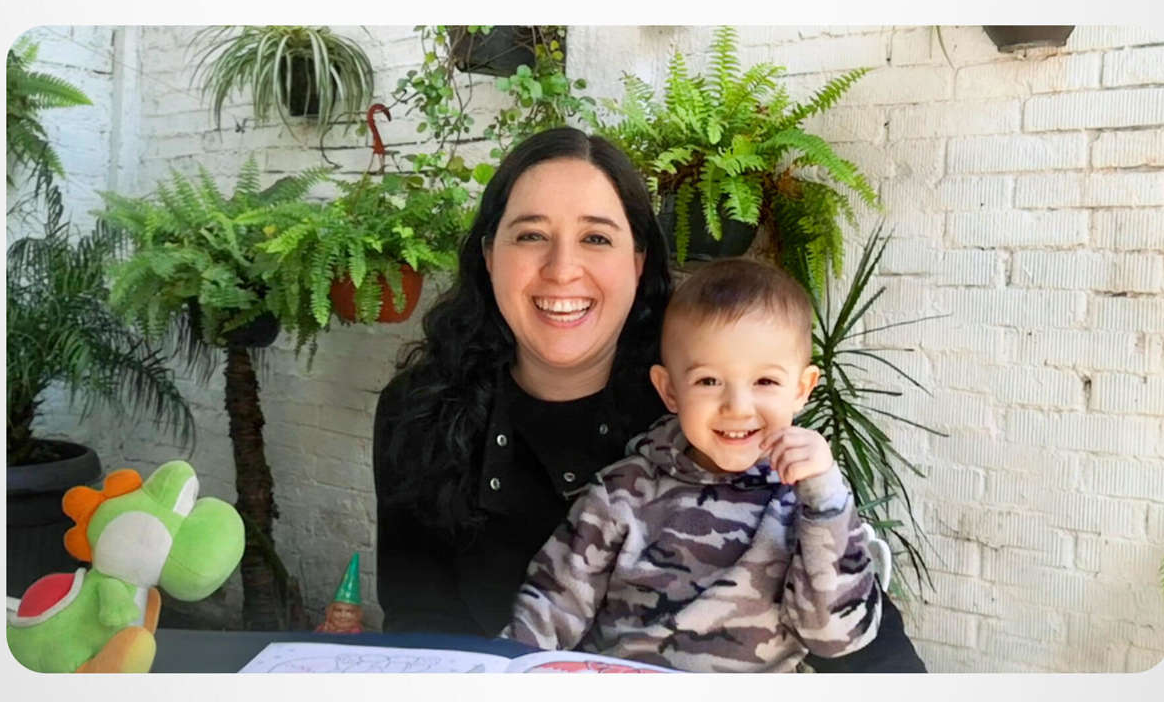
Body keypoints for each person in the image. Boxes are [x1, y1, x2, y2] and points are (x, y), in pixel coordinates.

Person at [372, 126, 926, 672]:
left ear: (637, 261)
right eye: (531, 235)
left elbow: (869, 655)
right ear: (490, 255)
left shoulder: (716, 415)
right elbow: (422, 626)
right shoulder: (421, 412)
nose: (562, 269)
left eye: (596, 238)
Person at [502, 259, 880, 672]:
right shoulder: (622, 492)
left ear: (802, 389)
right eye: (708, 381)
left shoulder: (809, 504)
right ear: (669, 390)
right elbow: (549, 613)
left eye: (765, 382)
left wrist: (824, 498)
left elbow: (836, 637)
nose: (737, 407)